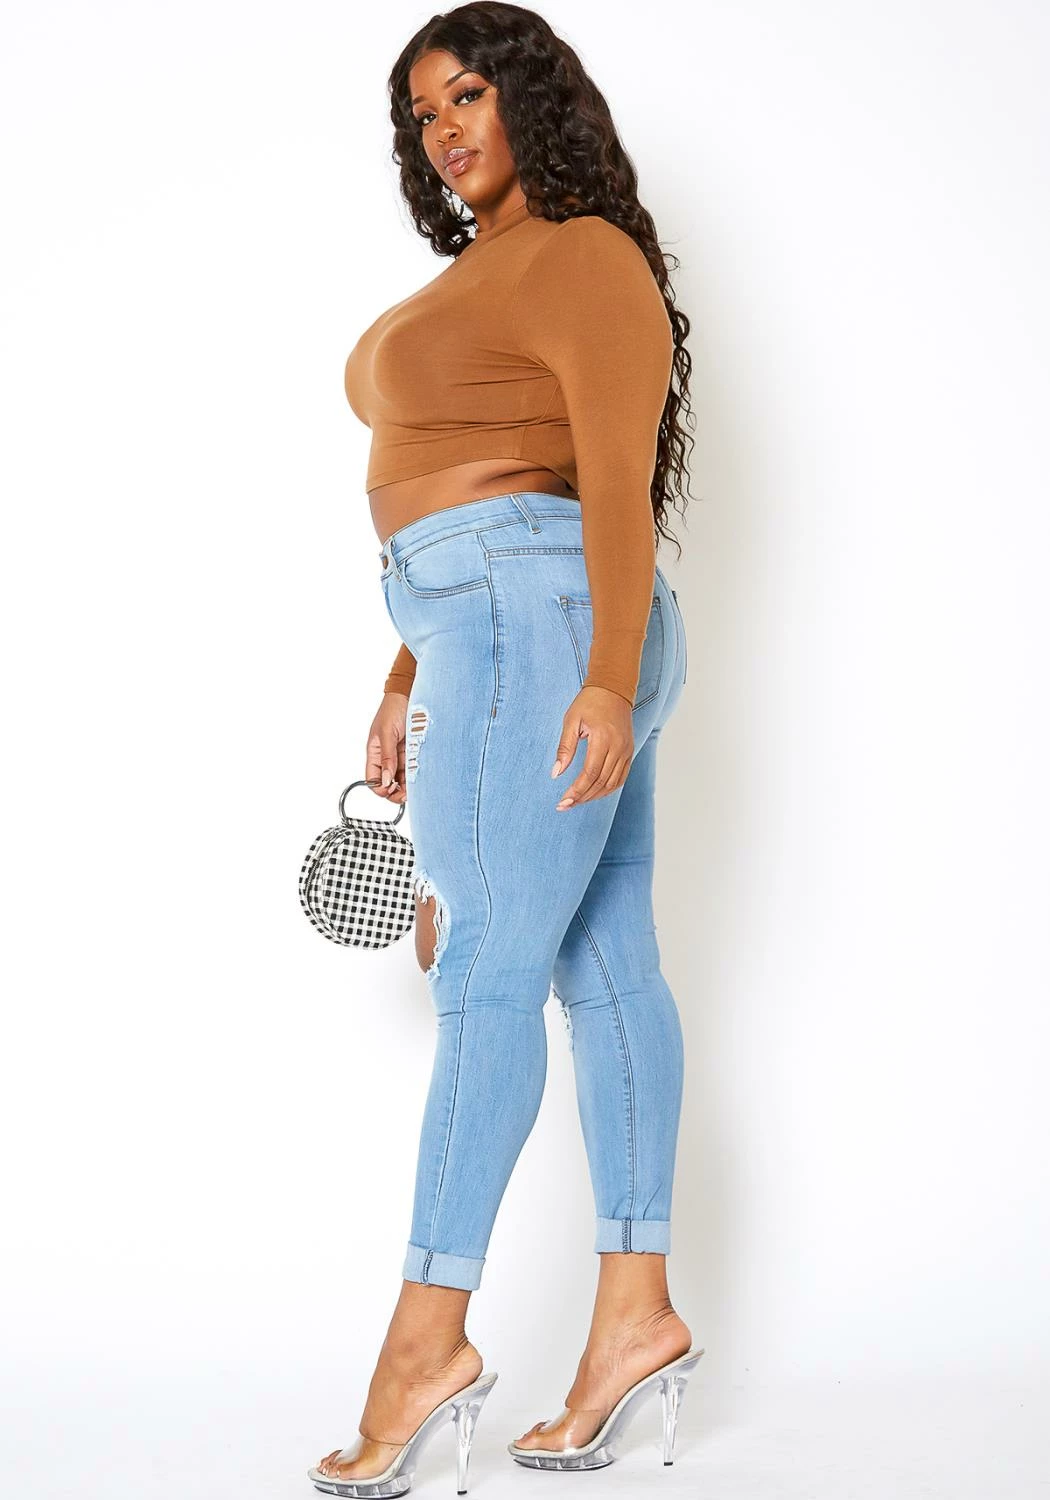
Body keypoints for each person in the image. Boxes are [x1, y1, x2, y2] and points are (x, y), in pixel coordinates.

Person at [309, 4, 701, 1493]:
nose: (443, 130)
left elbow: (606, 481)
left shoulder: (583, 254)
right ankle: (635, 1320)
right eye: (421, 113)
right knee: (604, 965)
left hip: (548, 630)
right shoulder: (482, 271)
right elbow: (484, 485)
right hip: (494, 624)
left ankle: (425, 1346)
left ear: (532, 98)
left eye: (467, 94)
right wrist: (408, 667)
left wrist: (600, 679)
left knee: (481, 970)